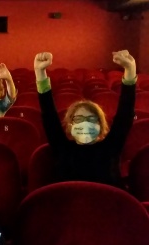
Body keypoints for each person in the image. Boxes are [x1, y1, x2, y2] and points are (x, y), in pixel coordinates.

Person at [34, 50, 137, 189]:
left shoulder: (111, 147)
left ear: (101, 125)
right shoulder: (62, 147)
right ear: (70, 125)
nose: (85, 123)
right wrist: (40, 73)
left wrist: (130, 70)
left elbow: (125, 114)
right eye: (79, 119)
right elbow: (48, 114)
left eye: (91, 119)